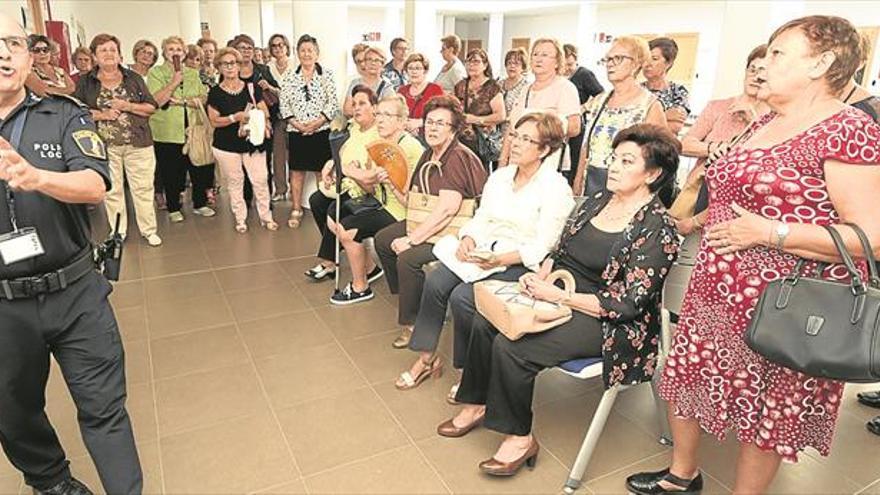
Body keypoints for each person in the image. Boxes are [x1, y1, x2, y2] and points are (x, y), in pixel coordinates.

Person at [630, 15, 880, 495]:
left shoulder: (847, 128)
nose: (764, 63)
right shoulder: (767, 120)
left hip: (784, 302)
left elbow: (869, 234)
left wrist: (771, 232)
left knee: (768, 408)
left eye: (779, 53)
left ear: (822, 63)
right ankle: (681, 475)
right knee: (688, 377)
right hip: (716, 287)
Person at [443, 123, 680, 477]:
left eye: (626, 161)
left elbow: (629, 304)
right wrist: (538, 277)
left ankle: (520, 438)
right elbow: (560, 249)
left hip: (609, 319)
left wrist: (561, 296)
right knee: (485, 319)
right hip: (559, 290)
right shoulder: (598, 201)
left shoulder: (658, 228)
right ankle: (477, 402)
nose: (612, 166)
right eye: (614, 158)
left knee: (513, 348)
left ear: (654, 173)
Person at [0, 15, 142, 494]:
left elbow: (94, 184)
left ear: (28, 55)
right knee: (11, 408)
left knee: (104, 407)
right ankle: (52, 481)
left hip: (76, 291)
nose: (3, 54)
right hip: (4, 306)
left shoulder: (63, 114)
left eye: (13, 44)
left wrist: (38, 177)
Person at [395, 111, 574, 398]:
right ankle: (427, 358)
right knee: (437, 281)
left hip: (520, 261)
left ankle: (470, 373)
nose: (514, 143)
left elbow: (544, 245)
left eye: (526, 139)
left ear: (544, 149)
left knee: (464, 298)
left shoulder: (555, 188)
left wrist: (500, 260)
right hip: (485, 250)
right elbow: (482, 218)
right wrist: (468, 237)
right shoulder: (501, 177)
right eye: (515, 135)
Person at [375, 95, 487, 348]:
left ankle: (413, 322)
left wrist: (411, 239)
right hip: (431, 222)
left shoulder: (456, 157)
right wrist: (391, 182)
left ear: (454, 129)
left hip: (456, 232)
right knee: (383, 240)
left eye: (441, 123)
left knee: (407, 258)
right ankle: (415, 296)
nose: (433, 128)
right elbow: (413, 202)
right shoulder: (429, 154)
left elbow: (448, 209)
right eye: (430, 122)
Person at [329, 93, 425, 304]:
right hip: (382, 202)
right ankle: (369, 269)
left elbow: (411, 196)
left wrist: (353, 172)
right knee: (333, 216)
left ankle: (360, 287)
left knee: (348, 231)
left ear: (401, 121)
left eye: (387, 115)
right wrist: (350, 171)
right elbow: (371, 185)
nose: (380, 119)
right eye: (379, 113)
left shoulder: (410, 147)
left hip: (401, 211)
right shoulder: (379, 143)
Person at [75, 33, 162, 248]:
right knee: (112, 189)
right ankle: (118, 231)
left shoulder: (134, 78)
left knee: (143, 188)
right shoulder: (86, 82)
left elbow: (151, 107)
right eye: (103, 50)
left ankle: (149, 230)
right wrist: (102, 115)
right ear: (94, 56)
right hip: (103, 146)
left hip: (139, 142)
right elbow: (77, 112)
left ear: (120, 54)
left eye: (112, 49)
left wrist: (128, 106)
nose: (108, 54)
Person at [675, 44, 769, 236]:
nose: (756, 76)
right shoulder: (718, 107)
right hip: (700, 192)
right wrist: (712, 148)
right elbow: (684, 144)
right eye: (752, 69)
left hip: (739, 203)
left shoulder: (773, 118)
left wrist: (753, 121)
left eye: (763, 71)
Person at [304, 85, 381, 283]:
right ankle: (368, 265)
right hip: (347, 181)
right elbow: (340, 154)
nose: (356, 108)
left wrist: (349, 171)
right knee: (316, 200)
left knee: (334, 208)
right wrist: (330, 166)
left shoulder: (379, 132)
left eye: (362, 103)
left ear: (375, 107)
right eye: (354, 104)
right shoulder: (353, 128)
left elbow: (370, 173)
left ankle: (329, 262)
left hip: (366, 188)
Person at [573, 36, 667, 197]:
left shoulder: (649, 105)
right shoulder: (599, 101)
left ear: (637, 63)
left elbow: (660, 156)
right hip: (592, 184)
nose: (610, 64)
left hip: (628, 190)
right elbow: (586, 146)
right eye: (608, 59)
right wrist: (577, 181)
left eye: (618, 58)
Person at [206, 47, 276, 233]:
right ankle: (240, 218)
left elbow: (264, 111)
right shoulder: (215, 93)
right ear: (219, 68)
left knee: (260, 180)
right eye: (224, 64)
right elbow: (214, 121)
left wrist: (259, 118)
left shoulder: (251, 88)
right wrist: (234, 118)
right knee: (235, 182)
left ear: (239, 66)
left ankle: (266, 217)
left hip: (253, 142)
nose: (229, 67)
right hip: (226, 146)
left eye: (233, 63)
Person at [147, 35, 214, 223]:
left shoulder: (192, 73)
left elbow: (203, 97)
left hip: (193, 127)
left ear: (184, 53)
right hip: (167, 130)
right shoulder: (156, 73)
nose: (175, 53)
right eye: (171, 49)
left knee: (198, 165)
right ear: (164, 53)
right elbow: (157, 100)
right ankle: (173, 206)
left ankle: (200, 203)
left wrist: (181, 101)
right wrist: (174, 82)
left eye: (178, 50)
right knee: (171, 170)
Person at [278, 34, 340, 229]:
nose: (306, 54)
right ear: (297, 53)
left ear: (317, 53)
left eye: (310, 50)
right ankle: (296, 208)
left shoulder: (326, 75)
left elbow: (333, 102)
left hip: (321, 130)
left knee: (323, 171)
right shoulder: (289, 76)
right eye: (302, 50)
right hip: (297, 131)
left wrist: (316, 123)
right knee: (297, 171)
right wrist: (298, 125)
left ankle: (326, 208)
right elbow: (284, 103)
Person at [498, 39, 581, 182]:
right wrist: (502, 163)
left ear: (557, 62)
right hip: (518, 164)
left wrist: (543, 125)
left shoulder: (565, 87)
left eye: (545, 55)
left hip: (547, 165)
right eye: (535, 54)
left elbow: (574, 127)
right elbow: (512, 129)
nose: (538, 59)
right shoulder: (526, 89)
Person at [453, 48, 506, 167]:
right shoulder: (460, 86)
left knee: (479, 175)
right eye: (468, 62)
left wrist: (476, 119)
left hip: (482, 142)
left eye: (476, 62)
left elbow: (501, 116)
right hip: (460, 140)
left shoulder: (492, 87)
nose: (471, 65)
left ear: (485, 65)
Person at [563, 43, 604, 184]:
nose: (567, 69)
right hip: (559, 123)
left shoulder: (584, 74)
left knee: (574, 160)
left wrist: (584, 107)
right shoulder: (558, 77)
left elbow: (601, 94)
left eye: (570, 64)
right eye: (564, 65)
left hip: (576, 124)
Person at [267, 33, 295, 201]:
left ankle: (295, 188)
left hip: (294, 117)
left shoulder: (295, 66)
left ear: (287, 47)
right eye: (274, 46)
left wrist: (274, 90)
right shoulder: (267, 67)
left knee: (295, 155)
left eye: (281, 45)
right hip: (276, 117)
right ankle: (280, 189)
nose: (278, 48)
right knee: (278, 156)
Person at [643, 37, 690, 135]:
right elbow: (628, 126)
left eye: (654, 59)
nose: (647, 64)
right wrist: (665, 116)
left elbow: (675, 127)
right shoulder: (637, 90)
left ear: (669, 63)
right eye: (645, 59)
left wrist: (645, 120)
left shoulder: (677, 91)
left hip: (665, 147)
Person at [397, 53, 444, 136]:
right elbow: (397, 115)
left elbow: (442, 115)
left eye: (418, 68)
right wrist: (407, 126)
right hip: (404, 135)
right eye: (410, 68)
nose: (414, 71)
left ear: (425, 71)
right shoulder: (402, 91)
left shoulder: (435, 89)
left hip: (429, 135)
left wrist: (420, 122)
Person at [343, 46, 395, 118]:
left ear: (382, 65)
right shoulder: (355, 83)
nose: (372, 63)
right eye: (369, 59)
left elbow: (388, 111)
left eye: (377, 60)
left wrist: (359, 111)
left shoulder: (387, 87)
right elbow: (347, 110)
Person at [498, 47, 530, 136]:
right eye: (509, 63)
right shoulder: (499, 84)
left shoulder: (526, 86)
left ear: (523, 67)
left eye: (516, 64)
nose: (512, 66)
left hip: (515, 130)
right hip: (496, 132)